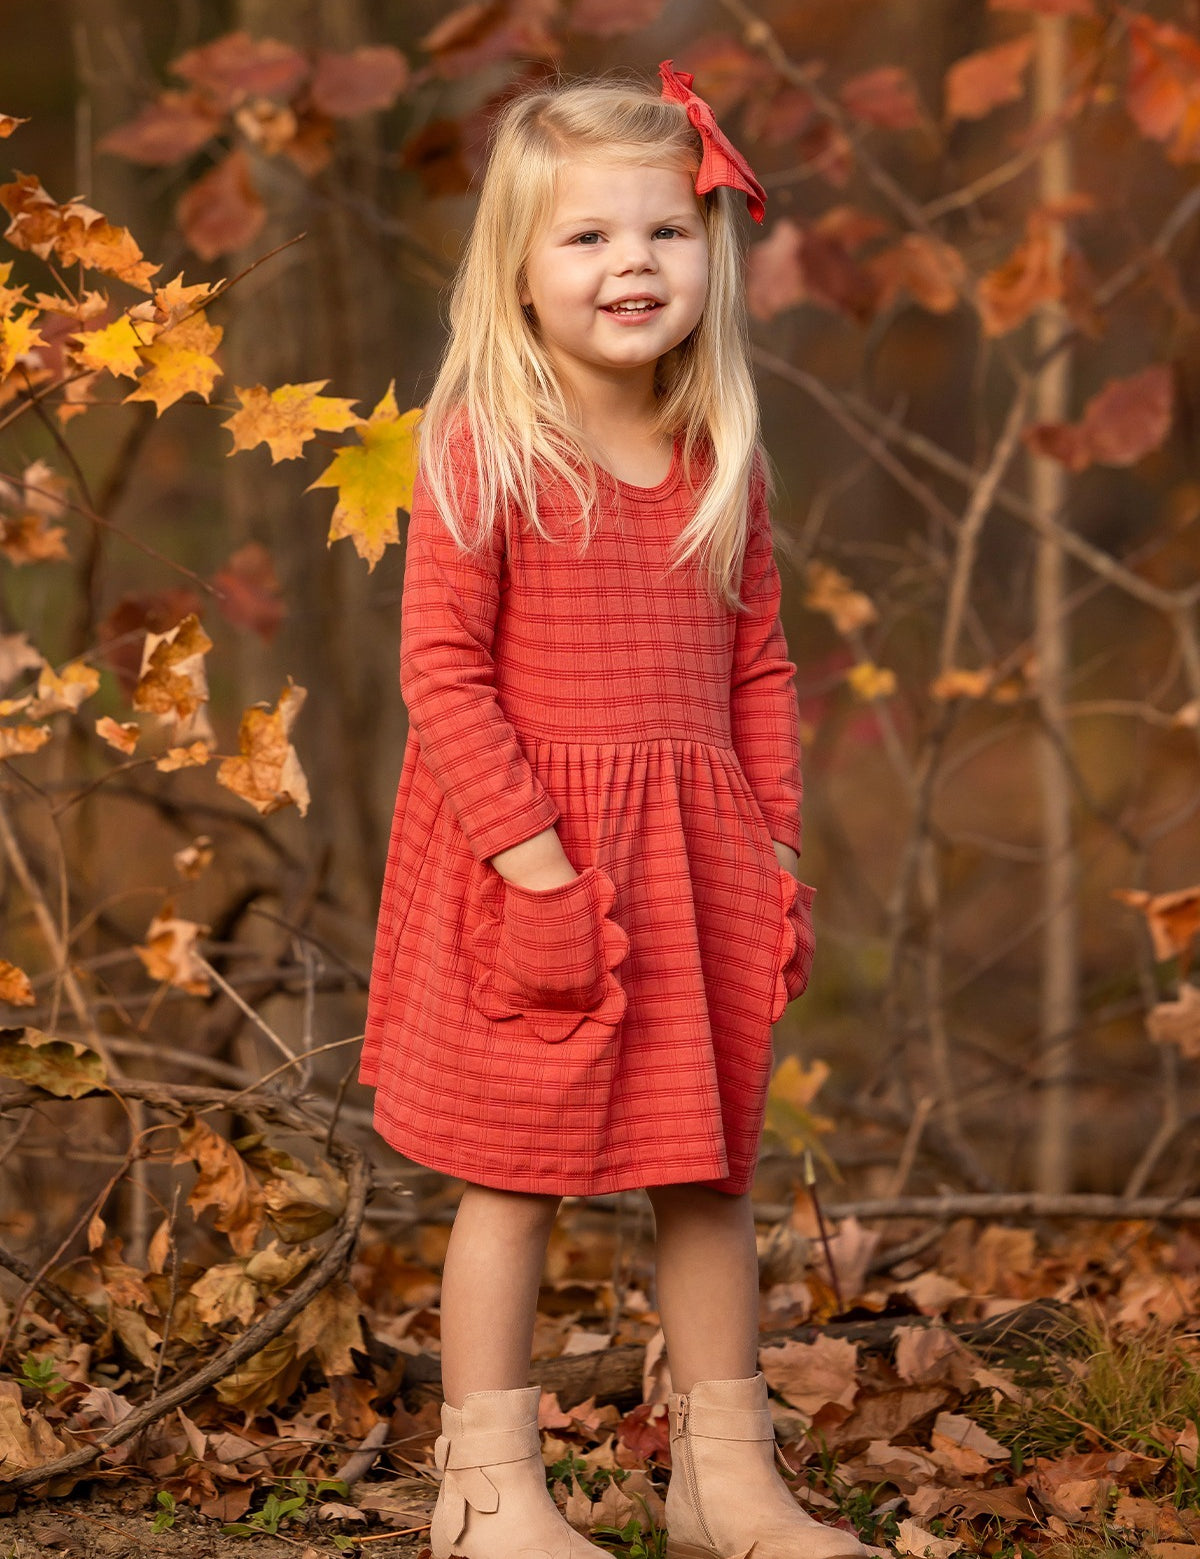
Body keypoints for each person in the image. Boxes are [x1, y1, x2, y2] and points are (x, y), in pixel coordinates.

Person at [359, 60, 866, 1559]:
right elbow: (441, 681)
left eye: (661, 232)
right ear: (516, 272)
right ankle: (488, 1491)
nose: (630, 266)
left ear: (708, 252)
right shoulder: (487, 452)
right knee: (513, 1180)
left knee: (707, 1175)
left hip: (696, 864)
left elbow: (760, 668)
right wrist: (535, 871)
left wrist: (774, 848)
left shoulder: (721, 463)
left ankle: (727, 1482)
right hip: (536, 865)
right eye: (585, 238)